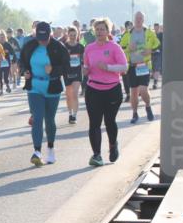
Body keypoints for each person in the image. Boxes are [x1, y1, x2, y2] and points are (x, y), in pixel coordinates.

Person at [20, 22, 68, 166]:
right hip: (34, 86)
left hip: (52, 86)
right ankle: (37, 152)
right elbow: (22, 61)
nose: (42, 41)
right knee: (37, 117)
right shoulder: (30, 46)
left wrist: (53, 70)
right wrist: (25, 72)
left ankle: (51, 149)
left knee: (49, 119)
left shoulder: (58, 47)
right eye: (39, 37)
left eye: (45, 38)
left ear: (50, 34)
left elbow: (66, 67)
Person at [83, 17, 127, 166]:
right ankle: (96, 155)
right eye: (97, 29)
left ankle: (113, 145)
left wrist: (108, 68)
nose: (99, 32)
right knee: (94, 123)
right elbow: (87, 66)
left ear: (108, 31)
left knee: (109, 121)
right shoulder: (89, 48)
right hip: (93, 89)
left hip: (112, 89)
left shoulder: (114, 47)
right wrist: (85, 70)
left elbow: (124, 67)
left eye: (102, 29)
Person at [118, 11, 159, 123]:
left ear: (143, 20)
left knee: (143, 89)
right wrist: (128, 48)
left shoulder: (149, 33)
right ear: (134, 19)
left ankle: (148, 106)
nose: (138, 20)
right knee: (134, 92)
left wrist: (150, 50)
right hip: (132, 66)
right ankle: (135, 113)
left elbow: (158, 44)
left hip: (144, 65)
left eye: (140, 18)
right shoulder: (127, 34)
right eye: (137, 18)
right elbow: (121, 48)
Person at [62, 26, 85, 124]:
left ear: (77, 35)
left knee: (75, 94)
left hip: (77, 73)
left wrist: (84, 71)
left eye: (74, 35)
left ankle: (74, 116)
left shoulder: (80, 47)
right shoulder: (64, 46)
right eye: (71, 35)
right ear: (68, 35)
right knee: (69, 95)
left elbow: (84, 61)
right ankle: (70, 113)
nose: (72, 37)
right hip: (67, 73)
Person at [0, 29, 13, 94]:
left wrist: (8, 52)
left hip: (6, 62)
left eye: (3, 37)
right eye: (1, 37)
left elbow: (12, 52)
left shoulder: (7, 44)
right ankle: (1, 91)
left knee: (6, 77)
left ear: (5, 37)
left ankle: (8, 87)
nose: (2, 38)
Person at [151, 22, 163, 89]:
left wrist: (159, 49)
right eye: (155, 27)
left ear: (158, 27)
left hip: (159, 53)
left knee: (157, 68)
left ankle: (155, 83)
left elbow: (163, 44)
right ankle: (155, 81)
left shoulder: (161, 34)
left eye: (157, 27)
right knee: (153, 68)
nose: (156, 28)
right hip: (152, 53)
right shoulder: (152, 35)